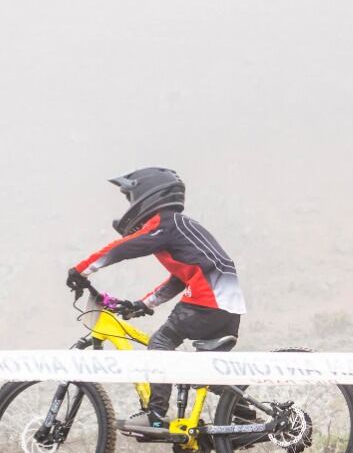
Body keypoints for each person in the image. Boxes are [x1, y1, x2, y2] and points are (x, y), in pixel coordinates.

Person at [67, 167, 246, 431]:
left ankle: (155, 415)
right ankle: (244, 416)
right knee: (203, 371)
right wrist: (144, 304)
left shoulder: (164, 222)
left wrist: (81, 270)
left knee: (160, 342)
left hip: (209, 299)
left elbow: (124, 248)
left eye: (131, 198)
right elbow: (181, 277)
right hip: (227, 305)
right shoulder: (180, 228)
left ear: (147, 194)